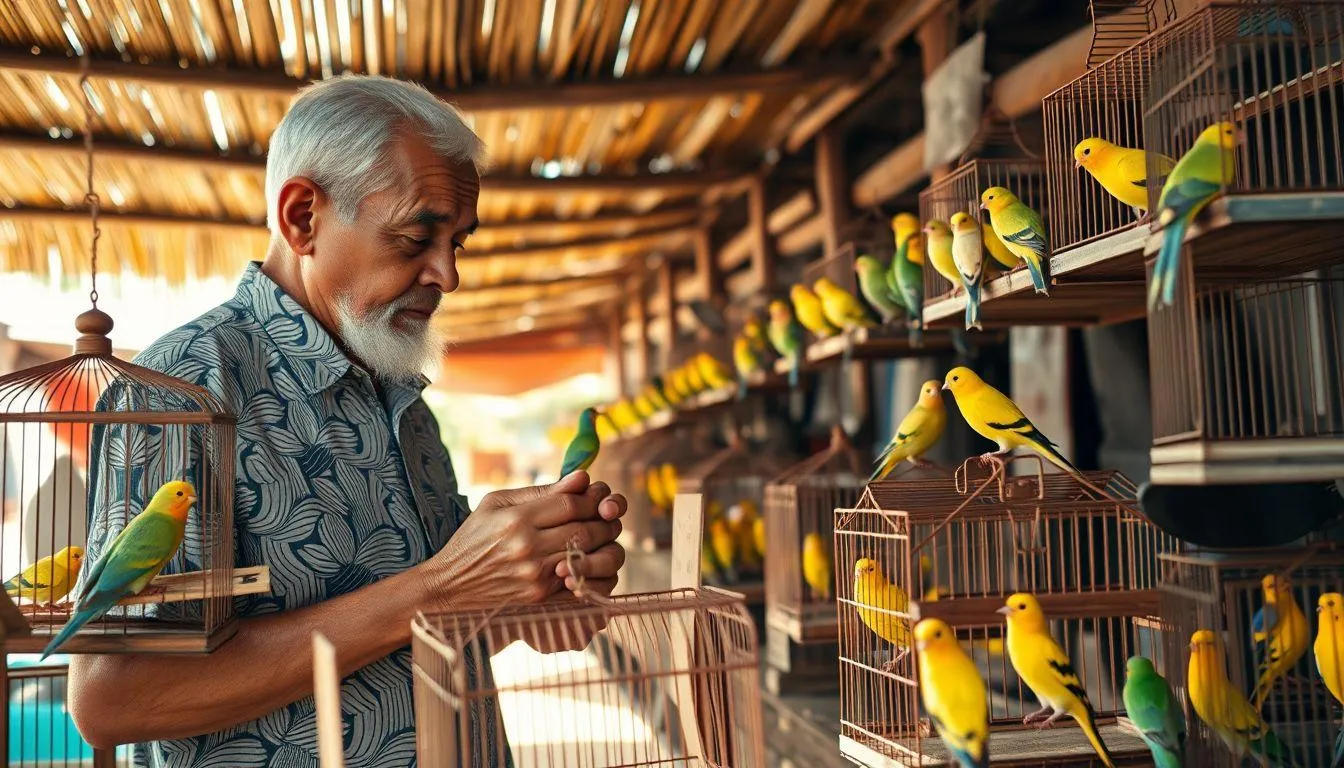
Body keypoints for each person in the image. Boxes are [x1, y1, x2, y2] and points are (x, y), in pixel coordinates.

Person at [67, 74, 627, 767]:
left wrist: (527, 601)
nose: (448, 275)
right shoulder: (185, 389)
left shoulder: (402, 396)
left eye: (458, 243)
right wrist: (440, 587)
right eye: (415, 238)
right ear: (303, 217)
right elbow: (112, 698)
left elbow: (427, 633)